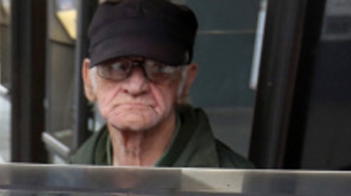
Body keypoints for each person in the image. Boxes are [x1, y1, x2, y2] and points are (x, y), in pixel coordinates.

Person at [70, 0, 253, 168]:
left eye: (159, 68)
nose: (136, 87)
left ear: (185, 82)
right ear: (88, 80)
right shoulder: (70, 179)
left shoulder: (237, 187)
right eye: (117, 67)